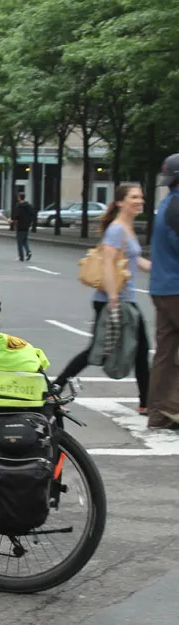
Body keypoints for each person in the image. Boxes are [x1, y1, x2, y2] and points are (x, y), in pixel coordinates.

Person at [53, 185, 152, 412]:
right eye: (134, 197)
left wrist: (161, 270)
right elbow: (107, 262)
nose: (140, 201)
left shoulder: (126, 227)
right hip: (113, 299)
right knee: (96, 351)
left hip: (123, 298)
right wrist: (113, 296)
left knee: (139, 349)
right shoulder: (116, 229)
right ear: (120, 202)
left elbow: (133, 260)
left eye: (141, 197)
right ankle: (56, 388)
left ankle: (146, 402)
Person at [147, 154, 179, 428]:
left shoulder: (167, 204)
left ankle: (159, 413)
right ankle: (169, 408)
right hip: (176, 288)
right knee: (166, 353)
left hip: (163, 287)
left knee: (165, 353)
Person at [12, 193, 36, 261]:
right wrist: (29, 222)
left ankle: (21, 256)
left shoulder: (18, 206)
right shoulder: (28, 206)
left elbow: (17, 216)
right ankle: (28, 251)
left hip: (20, 225)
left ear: (19, 197)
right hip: (26, 225)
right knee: (24, 239)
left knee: (19, 242)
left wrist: (15, 223)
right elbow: (32, 214)